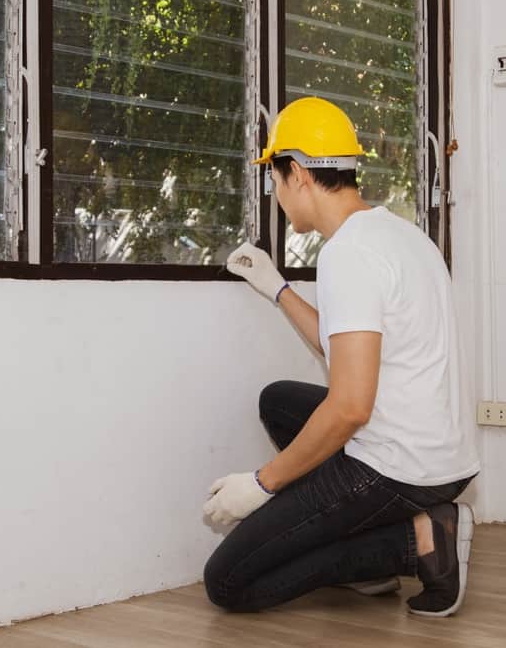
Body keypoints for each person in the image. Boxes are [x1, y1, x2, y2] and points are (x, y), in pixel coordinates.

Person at [202, 96, 480, 617]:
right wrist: (277, 288)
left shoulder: (348, 255)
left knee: (230, 583)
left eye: (275, 180)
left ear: (299, 174)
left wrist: (263, 484)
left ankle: (415, 539)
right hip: (442, 452)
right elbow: (347, 345)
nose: (277, 194)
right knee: (281, 401)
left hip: (399, 468)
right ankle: (373, 562)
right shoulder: (396, 233)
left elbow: (351, 407)